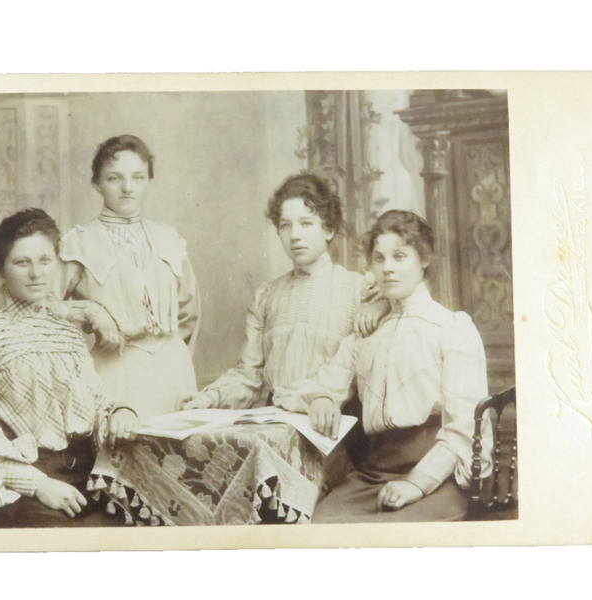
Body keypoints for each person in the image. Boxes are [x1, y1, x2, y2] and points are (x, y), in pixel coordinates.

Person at [278, 209, 492, 522]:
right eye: (379, 259)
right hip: (372, 477)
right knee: (319, 525)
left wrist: (417, 483)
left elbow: (466, 426)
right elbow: (308, 388)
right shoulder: (365, 334)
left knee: (389, 533)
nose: (387, 268)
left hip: (436, 478)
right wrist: (320, 398)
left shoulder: (452, 328)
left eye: (399, 256)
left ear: (424, 260)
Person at [0, 208, 138, 528]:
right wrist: (39, 485)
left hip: (83, 476)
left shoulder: (67, 331)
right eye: (22, 262)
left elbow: (96, 400)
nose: (36, 273)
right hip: (21, 485)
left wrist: (120, 412)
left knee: (144, 520)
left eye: (45, 261)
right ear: (2, 269)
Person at [179, 173, 364, 416]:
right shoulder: (267, 295)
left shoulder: (357, 290)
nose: (295, 235)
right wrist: (211, 398)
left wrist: (316, 400)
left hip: (333, 425)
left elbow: (349, 374)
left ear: (328, 229)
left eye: (306, 223)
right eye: (285, 225)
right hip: (277, 423)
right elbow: (249, 376)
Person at [56, 135, 200, 420]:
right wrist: (92, 312)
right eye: (114, 178)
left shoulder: (169, 238)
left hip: (172, 373)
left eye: (138, 177)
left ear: (148, 181)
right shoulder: (77, 243)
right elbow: (45, 307)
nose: (127, 188)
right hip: (113, 373)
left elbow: (189, 312)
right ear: (97, 183)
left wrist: (170, 355)